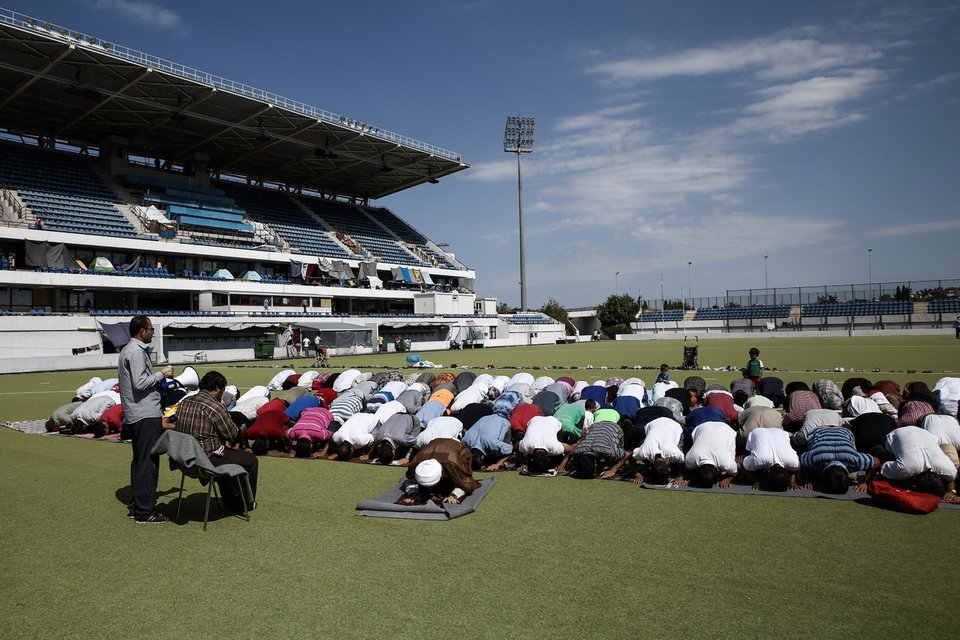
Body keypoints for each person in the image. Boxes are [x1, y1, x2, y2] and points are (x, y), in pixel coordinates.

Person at [175, 371, 259, 512]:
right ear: (217, 388)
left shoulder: (185, 402)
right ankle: (246, 502)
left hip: (184, 457)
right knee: (250, 460)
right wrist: (224, 409)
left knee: (225, 455)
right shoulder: (215, 406)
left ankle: (230, 500)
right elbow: (232, 433)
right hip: (206, 459)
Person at [118, 315, 174, 524]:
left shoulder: (129, 350)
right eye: (150, 329)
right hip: (144, 414)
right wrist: (162, 374)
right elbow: (140, 383)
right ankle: (145, 511)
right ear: (142, 331)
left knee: (140, 461)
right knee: (148, 463)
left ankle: (137, 506)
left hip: (135, 413)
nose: (152, 332)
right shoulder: (136, 352)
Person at [402, 438, 481, 505]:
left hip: (457, 449)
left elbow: (465, 483)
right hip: (434, 444)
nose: (429, 489)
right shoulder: (415, 464)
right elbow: (410, 480)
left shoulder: (453, 465)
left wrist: (454, 495)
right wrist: (413, 494)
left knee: (457, 481)